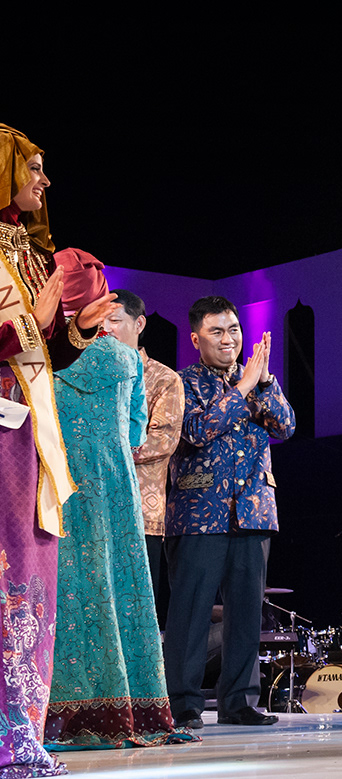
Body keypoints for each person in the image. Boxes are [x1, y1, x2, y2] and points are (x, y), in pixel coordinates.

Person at [1, 125, 117, 775]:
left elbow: (43, 352)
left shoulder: (29, 250)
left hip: (32, 433)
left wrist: (76, 326)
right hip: (0, 436)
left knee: (35, 574)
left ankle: (23, 730)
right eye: (34, 167)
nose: (44, 181)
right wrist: (36, 313)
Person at [45, 263, 194, 748]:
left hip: (58, 487)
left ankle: (54, 710)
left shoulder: (43, 356)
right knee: (118, 587)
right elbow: (133, 432)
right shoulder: (127, 360)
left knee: (66, 589)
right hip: (114, 489)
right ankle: (125, 708)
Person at [164, 296, 295, 728]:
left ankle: (239, 701)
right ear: (196, 337)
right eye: (217, 331)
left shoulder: (257, 380)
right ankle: (183, 701)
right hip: (199, 510)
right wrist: (241, 389)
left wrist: (262, 383)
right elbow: (197, 431)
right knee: (191, 611)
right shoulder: (181, 383)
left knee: (245, 612)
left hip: (254, 510)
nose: (229, 339)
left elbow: (286, 426)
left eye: (234, 329)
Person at [103, 289, 183, 616]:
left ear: (139, 324)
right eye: (99, 321)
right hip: (95, 508)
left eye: (114, 320)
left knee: (136, 612)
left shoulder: (164, 379)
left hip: (141, 515)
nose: (105, 329)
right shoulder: (92, 375)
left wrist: (101, 449)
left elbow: (163, 440)